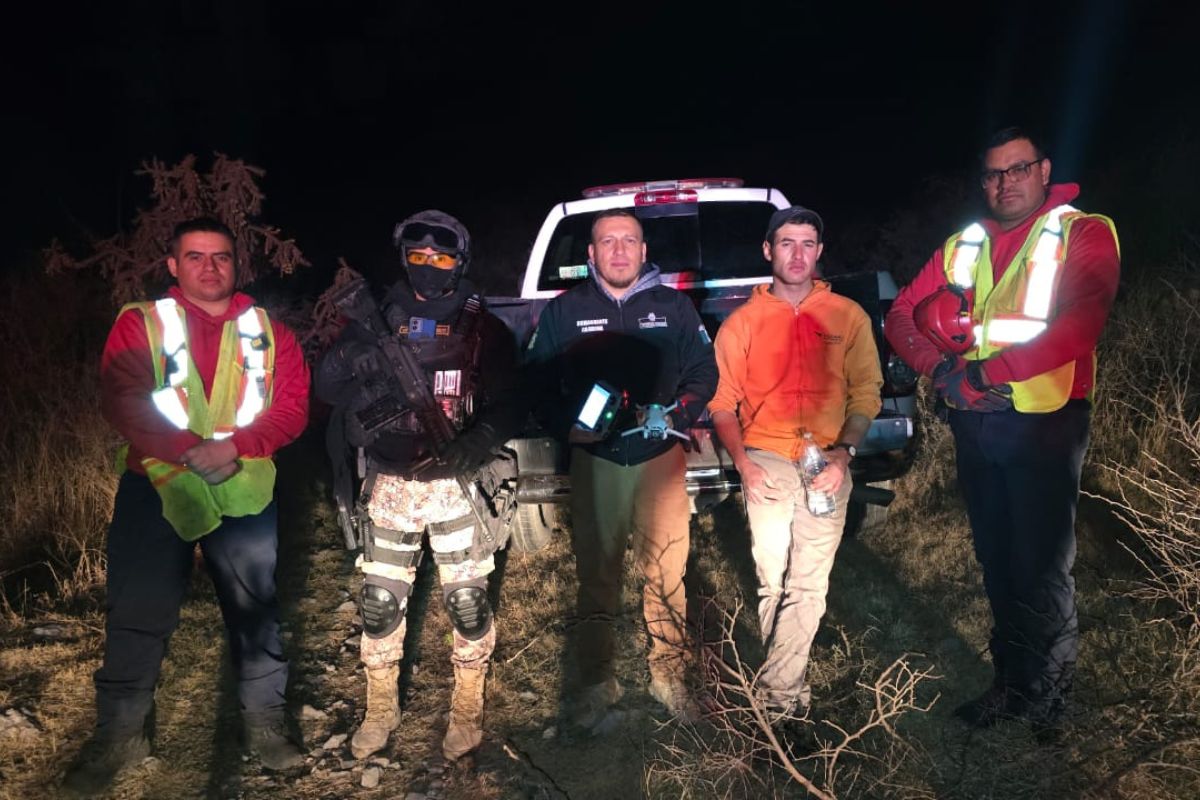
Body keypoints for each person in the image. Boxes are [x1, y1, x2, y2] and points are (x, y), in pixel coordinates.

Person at [885, 127, 1120, 737]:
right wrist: (940, 370)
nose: (1004, 182)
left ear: (1044, 170)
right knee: (996, 558)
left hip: (1044, 422)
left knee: (1042, 564)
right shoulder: (964, 242)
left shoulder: (1082, 232)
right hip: (974, 421)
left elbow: (1079, 326)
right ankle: (1012, 685)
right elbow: (899, 315)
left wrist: (984, 372)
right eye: (993, 173)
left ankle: (1051, 700)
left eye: (1018, 169)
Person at [64, 218, 311, 794]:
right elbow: (123, 396)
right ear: (173, 265)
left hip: (243, 486)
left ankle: (264, 725)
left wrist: (235, 448)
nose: (209, 266)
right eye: (195, 256)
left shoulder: (270, 332)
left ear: (237, 263)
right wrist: (189, 452)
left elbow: (292, 406)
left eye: (220, 256)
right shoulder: (141, 323)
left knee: (255, 611)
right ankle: (121, 736)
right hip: (157, 486)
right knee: (137, 611)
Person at [314, 210, 522, 762]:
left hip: (458, 485)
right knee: (380, 603)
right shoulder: (374, 318)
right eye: (419, 256)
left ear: (462, 262)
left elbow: (512, 403)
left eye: (443, 257)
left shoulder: (483, 327)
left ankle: (467, 711)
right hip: (389, 484)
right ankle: (381, 710)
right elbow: (327, 386)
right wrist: (349, 355)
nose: (430, 266)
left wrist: (477, 444)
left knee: (469, 605)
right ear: (403, 257)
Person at [525, 208, 718, 729]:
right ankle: (596, 680)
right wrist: (569, 426)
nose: (618, 250)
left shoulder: (673, 307)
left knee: (667, 571)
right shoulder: (565, 312)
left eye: (628, 241)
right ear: (590, 254)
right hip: (598, 461)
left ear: (643, 251)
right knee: (597, 574)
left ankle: (669, 674)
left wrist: (677, 413)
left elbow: (704, 370)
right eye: (607, 241)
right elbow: (536, 382)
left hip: (659, 456)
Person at [709, 206, 882, 715]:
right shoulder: (742, 324)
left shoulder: (847, 317)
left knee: (808, 582)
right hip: (766, 459)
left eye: (808, 243)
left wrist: (843, 455)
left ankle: (779, 704)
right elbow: (722, 403)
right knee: (772, 578)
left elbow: (866, 393)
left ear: (820, 251)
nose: (798, 254)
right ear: (768, 250)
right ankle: (788, 693)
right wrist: (743, 463)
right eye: (787, 243)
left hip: (825, 461)